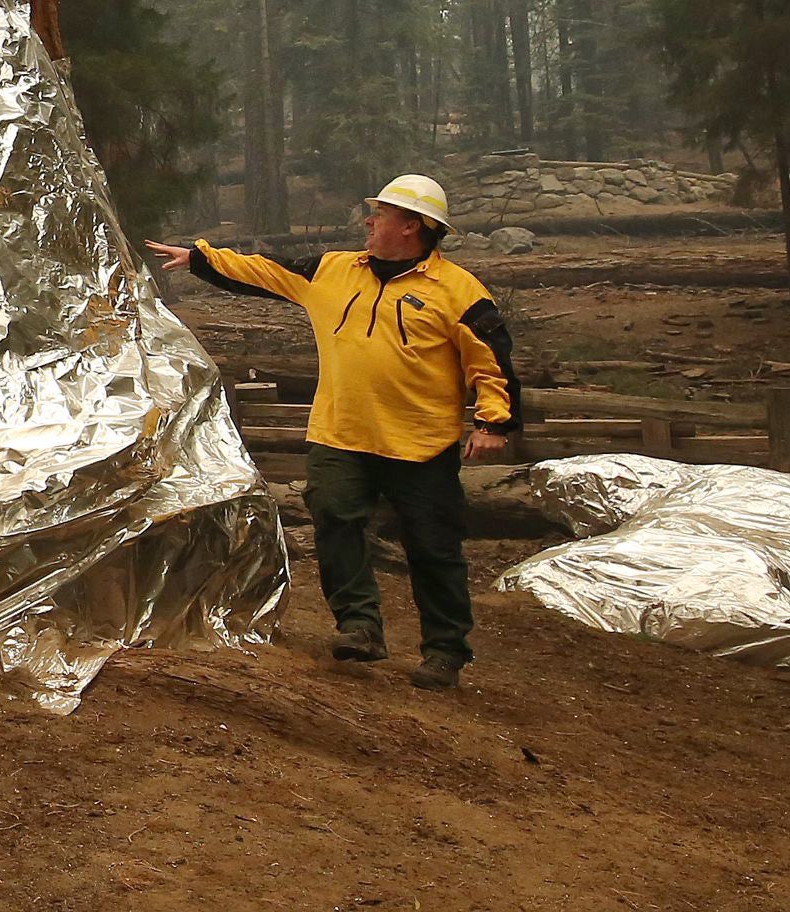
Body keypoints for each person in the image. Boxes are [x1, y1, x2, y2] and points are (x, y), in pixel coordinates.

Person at [145, 174, 522, 691]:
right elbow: (265, 272)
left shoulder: (459, 292)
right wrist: (202, 258)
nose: (368, 222)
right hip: (340, 433)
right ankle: (359, 625)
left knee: (433, 547)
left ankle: (444, 650)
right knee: (335, 521)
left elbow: (491, 361)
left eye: (380, 215)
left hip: (420, 444)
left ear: (412, 227)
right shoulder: (335, 270)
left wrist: (492, 421)